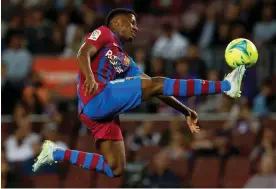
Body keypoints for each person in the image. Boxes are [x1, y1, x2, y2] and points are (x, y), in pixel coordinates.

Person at [33, 8, 246, 178]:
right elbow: (83, 52)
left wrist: (185, 110)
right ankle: (226, 86)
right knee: (158, 82)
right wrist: (89, 75)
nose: (136, 27)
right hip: (97, 96)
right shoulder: (104, 33)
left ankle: (55, 152)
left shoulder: (125, 60)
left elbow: (154, 88)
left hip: (96, 111)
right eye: (131, 22)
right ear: (117, 22)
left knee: (114, 168)